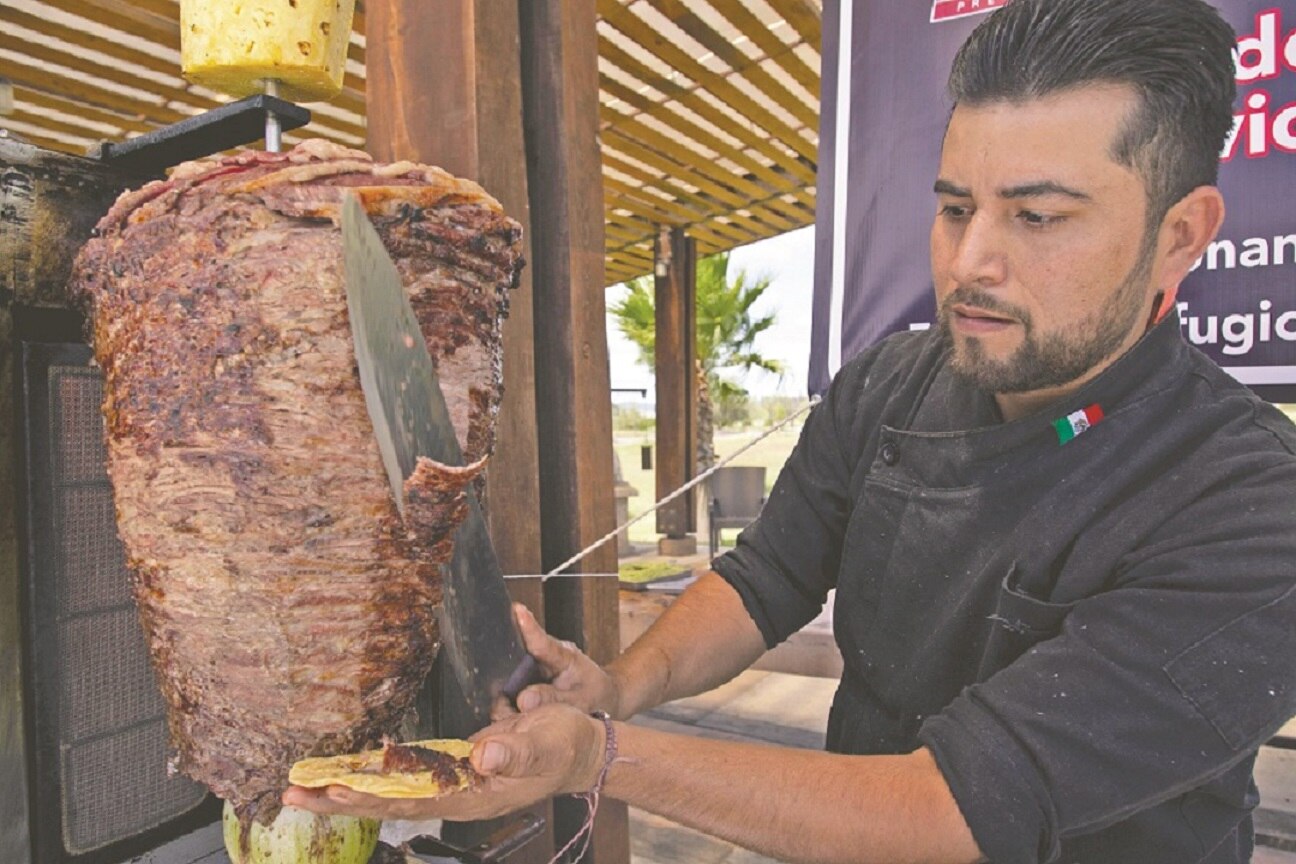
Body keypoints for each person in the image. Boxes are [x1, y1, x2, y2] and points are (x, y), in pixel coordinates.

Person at [287, 0, 1296, 860]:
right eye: (954, 208)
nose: (970, 263)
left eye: (1037, 218)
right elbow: (765, 577)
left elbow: (955, 811)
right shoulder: (894, 382)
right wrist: (616, 686)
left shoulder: (1245, 503)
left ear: (1180, 235)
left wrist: (600, 757)